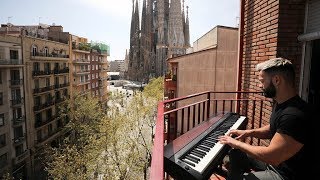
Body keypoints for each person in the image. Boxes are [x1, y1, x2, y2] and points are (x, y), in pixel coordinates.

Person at [218, 57, 315, 180]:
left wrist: (235, 142)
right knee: (235, 154)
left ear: (276, 80)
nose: (259, 85)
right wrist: (248, 132)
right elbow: (274, 128)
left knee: (237, 175)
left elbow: (272, 156)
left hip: (286, 174)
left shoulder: (294, 115)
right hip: (277, 164)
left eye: (262, 81)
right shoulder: (281, 103)